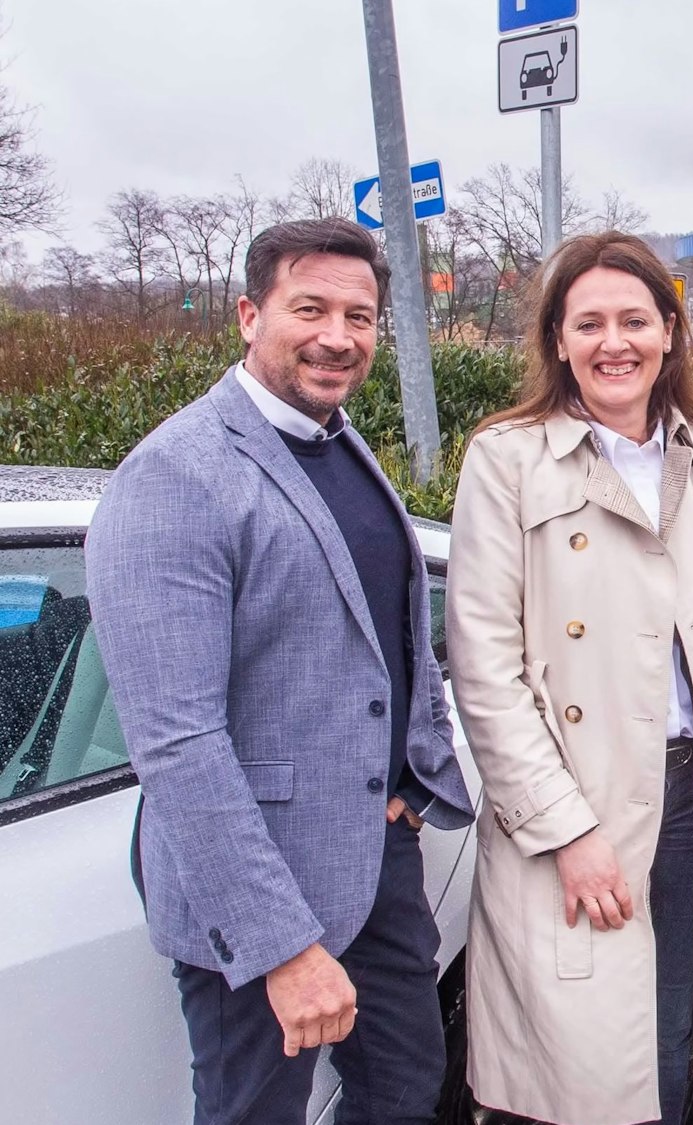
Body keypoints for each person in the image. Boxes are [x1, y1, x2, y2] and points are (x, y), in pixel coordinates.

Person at [86, 217, 476, 1123]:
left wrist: (411, 776)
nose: (338, 336)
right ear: (248, 315)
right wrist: (282, 947)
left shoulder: (336, 442)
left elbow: (388, 636)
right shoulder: (174, 477)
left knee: (403, 1093)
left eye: (359, 316)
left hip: (373, 857)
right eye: (310, 309)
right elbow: (177, 742)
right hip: (256, 887)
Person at [445, 231, 693, 1125]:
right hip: (581, 796)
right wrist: (565, 829)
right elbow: (487, 670)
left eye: (635, 320)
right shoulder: (507, 460)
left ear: (671, 332)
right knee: (584, 1064)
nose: (615, 342)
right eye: (589, 323)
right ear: (558, 339)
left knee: (675, 1035)